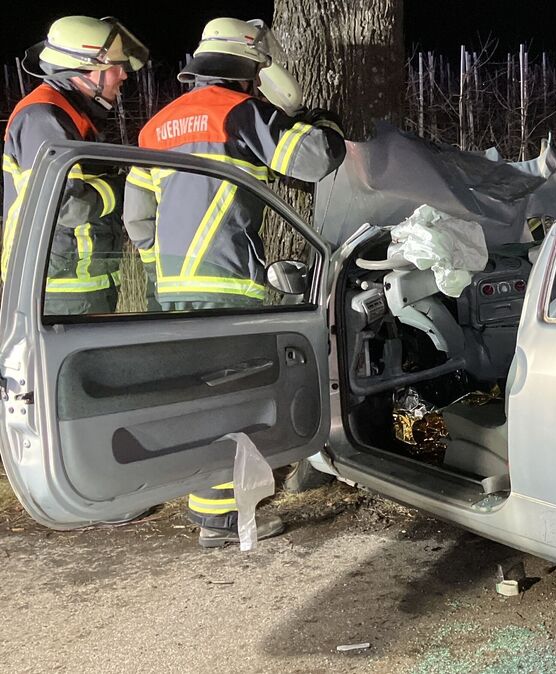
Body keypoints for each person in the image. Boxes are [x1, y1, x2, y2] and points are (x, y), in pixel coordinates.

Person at [124, 17, 345, 548]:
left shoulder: (157, 125)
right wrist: (323, 126)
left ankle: (210, 504)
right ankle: (221, 519)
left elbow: (136, 218)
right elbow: (315, 160)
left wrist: (169, 270)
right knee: (233, 399)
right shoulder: (240, 112)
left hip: (172, 288)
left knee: (197, 398)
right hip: (226, 283)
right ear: (248, 68)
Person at [3, 16, 147, 315]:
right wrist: (123, 188)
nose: (122, 75)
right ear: (83, 70)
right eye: (113, 67)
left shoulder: (71, 115)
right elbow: (67, 206)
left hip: (78, 284)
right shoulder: (43, 118)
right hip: (58, 289)